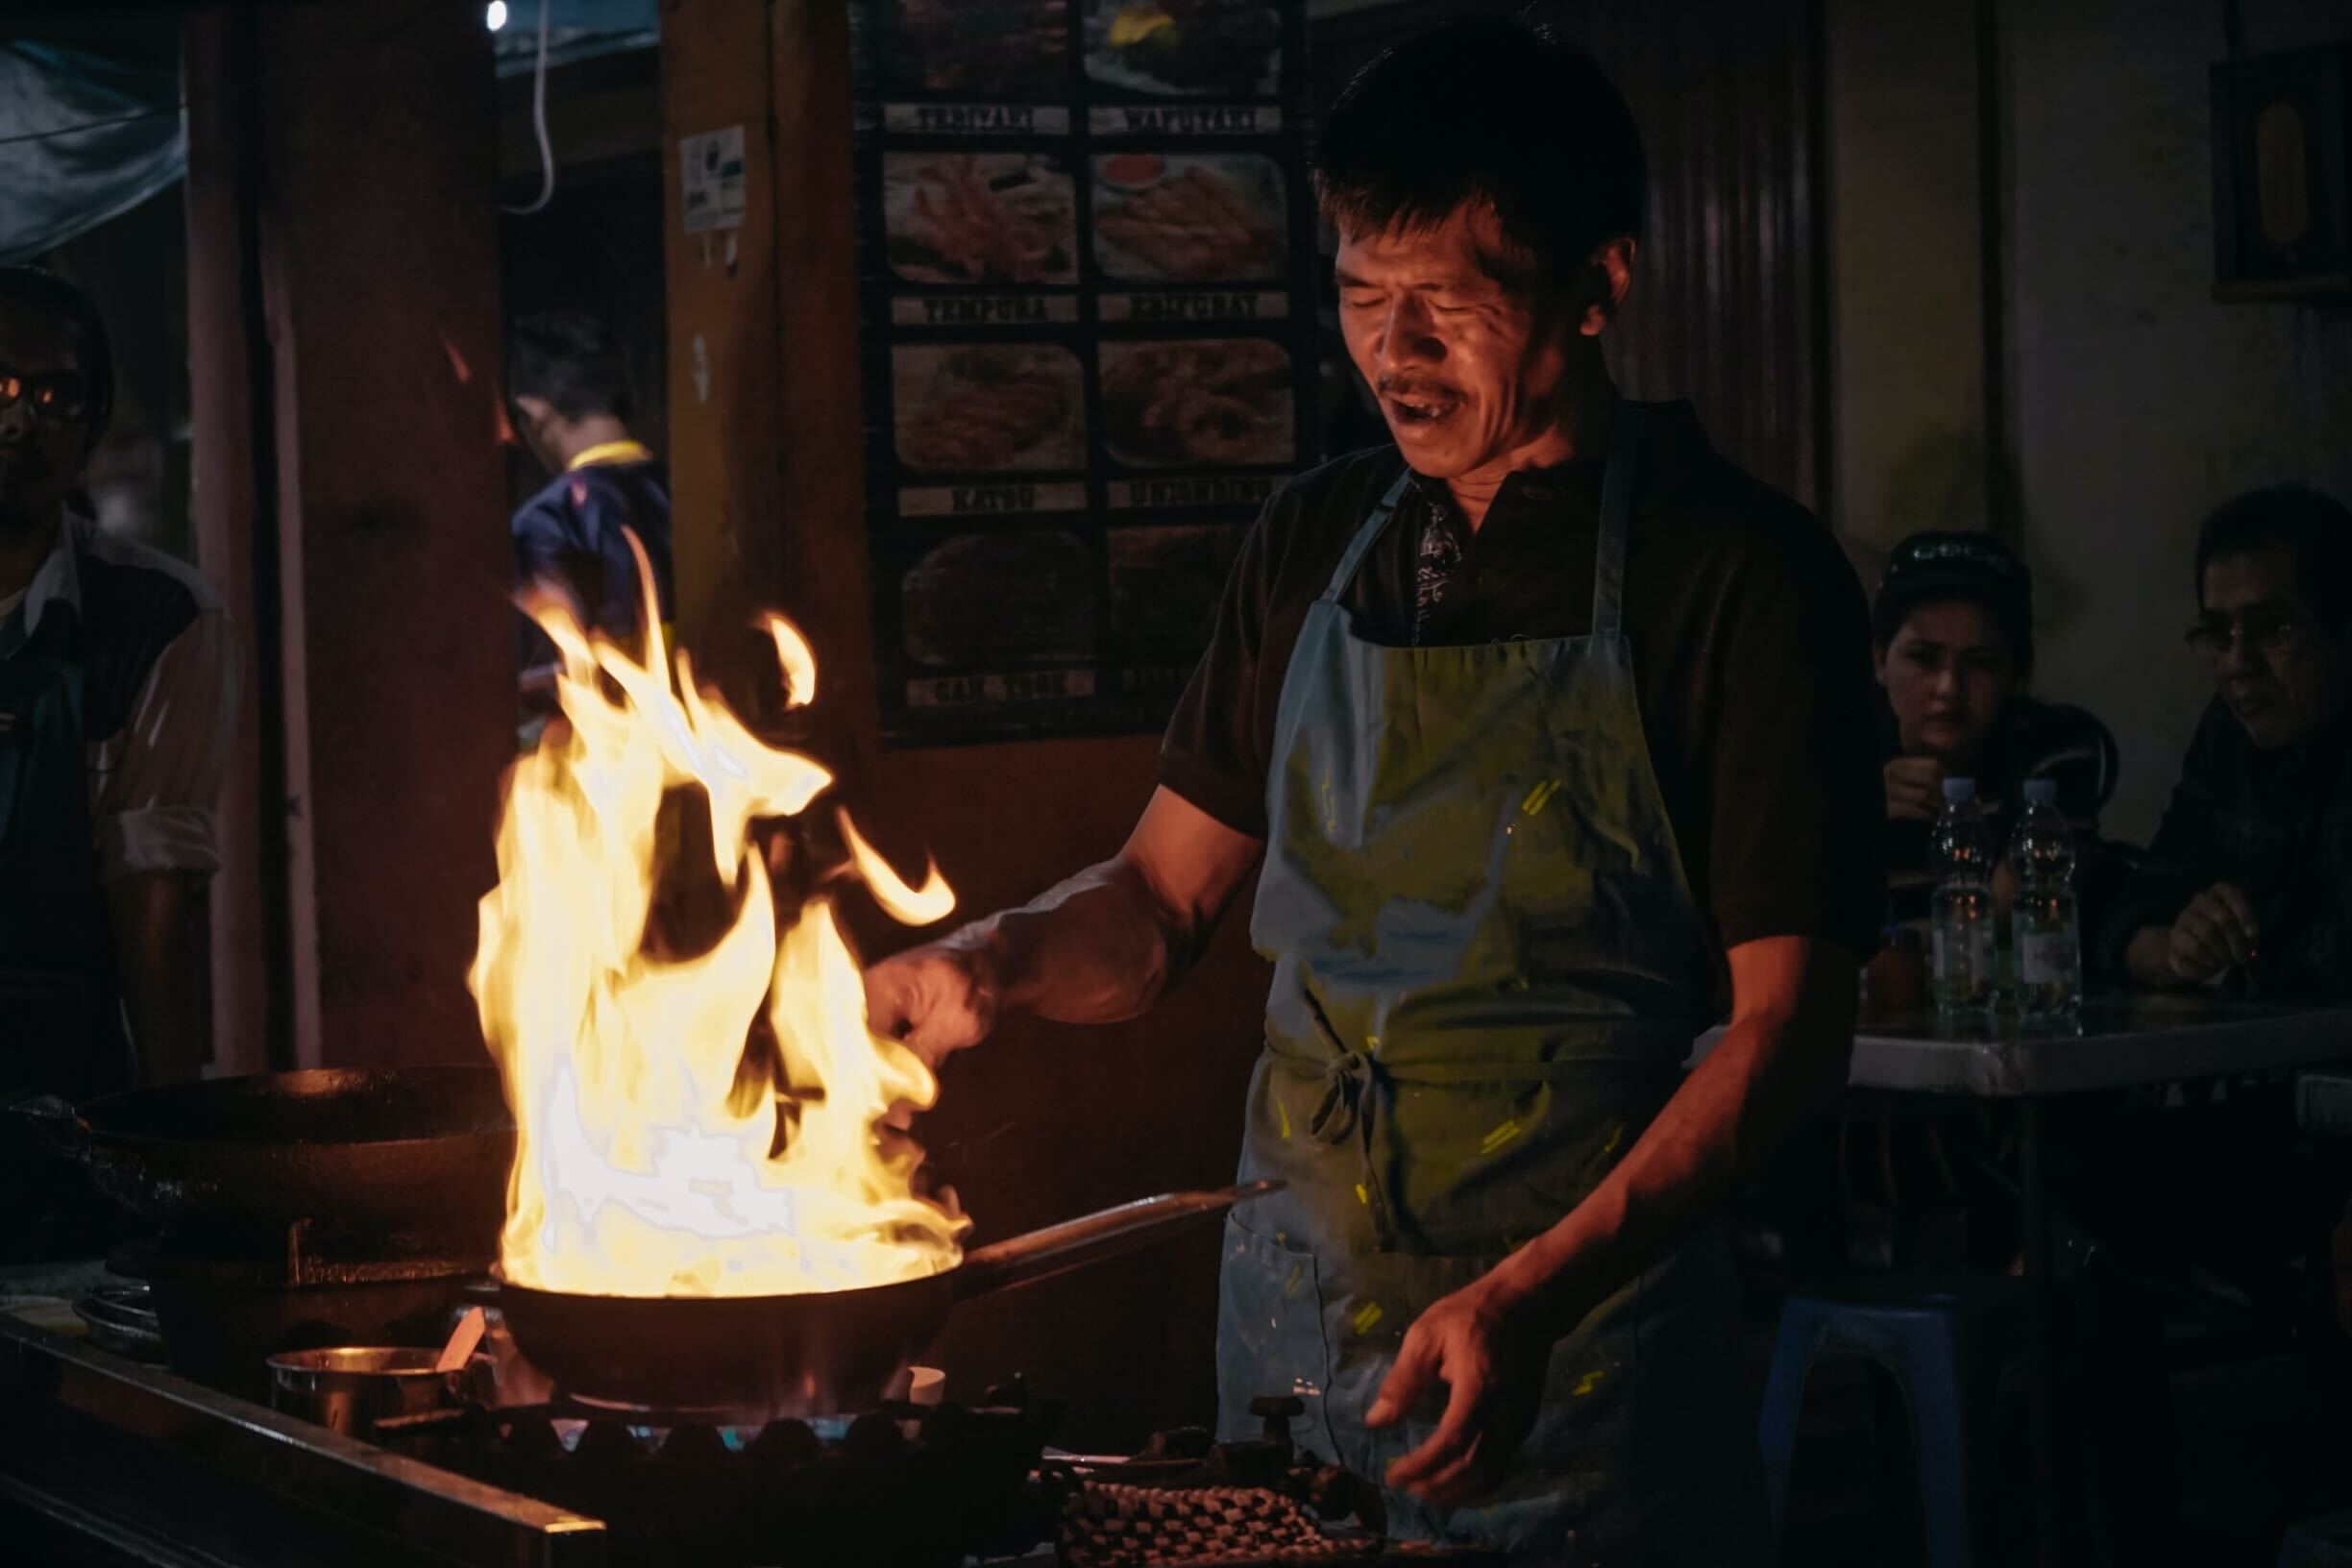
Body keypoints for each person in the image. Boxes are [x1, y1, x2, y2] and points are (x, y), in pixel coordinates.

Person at [866, 21, 1881, 1562]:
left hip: (1579, 1364)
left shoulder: (1740, 574)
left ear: (1598, 284)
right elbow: (1156, 904)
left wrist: (1528, 1298)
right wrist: (990, 962)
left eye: (1447, 305)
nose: (1394, 353)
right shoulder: (1314, 538)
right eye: (1358, 295)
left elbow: (1785, 1031)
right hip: (1291, 1346)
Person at [0, 265, 236, 1098]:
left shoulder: (157, 617)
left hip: (56, 1103)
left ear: (93, 424)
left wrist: (173, 1139)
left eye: (56, 396)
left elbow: (152, 898)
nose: (20, 420)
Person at [2112, 485, 2352, 997]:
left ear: (2342, 629)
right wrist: (2175, 949)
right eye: (2219, 634)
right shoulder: (2230, 728)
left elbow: (2329, 967)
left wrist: (2230, 959)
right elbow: (2138, 907)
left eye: (2272, 628)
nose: (2238, 665)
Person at [1872, 529, 2119, 923]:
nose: (1949, 687)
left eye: (1981, 662)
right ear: (1880, 661)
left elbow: (2023, 905)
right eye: (1923, 658)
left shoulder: (2052, 745)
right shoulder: (1830, 751)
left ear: (2015, 674)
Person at [504, 311, 674, 710]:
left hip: (610, 740)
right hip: (713, 733)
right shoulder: (695, 491)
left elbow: (546, 680)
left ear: (532, 411)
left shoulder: (547, 522)